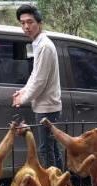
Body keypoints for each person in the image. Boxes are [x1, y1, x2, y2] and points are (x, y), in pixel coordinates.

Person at [13, 4, 63, 169]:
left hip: (47, 108)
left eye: (30, 22)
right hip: (45, 106)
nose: (26, 26)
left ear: (39, 23)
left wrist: (23, 99)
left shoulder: (44, 46)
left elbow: (40, 81)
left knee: (46, 150)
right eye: (22, 23)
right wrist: (23, 91)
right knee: (51, 148)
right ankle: (60, 184)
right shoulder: (39, 44)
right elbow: (35, 75)